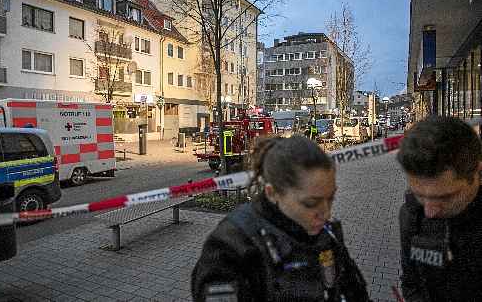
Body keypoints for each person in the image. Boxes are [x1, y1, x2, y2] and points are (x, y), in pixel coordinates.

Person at [191, 135, 371, 301]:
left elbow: (353, 290)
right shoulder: (231, 247)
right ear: (273, 193)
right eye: (310, 203)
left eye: (330, 198)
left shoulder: (327, 234)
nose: (325, 213)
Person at [397, 116, 482, 301]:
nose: (429, 211)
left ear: (476, 172)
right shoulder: (412, 215)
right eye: (419, 194)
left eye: (444, 197)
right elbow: (412, 282)